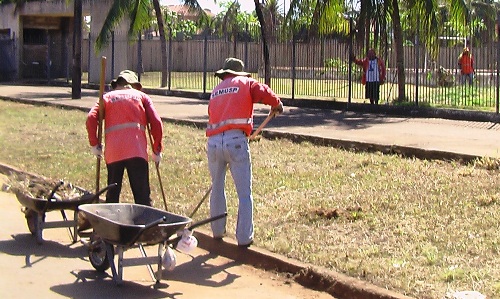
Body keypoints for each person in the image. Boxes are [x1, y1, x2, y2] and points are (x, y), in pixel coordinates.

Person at [206, 57, 284, 247]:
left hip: (214, 143)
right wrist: (277, 104)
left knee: (216, 188)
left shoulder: (216, 90)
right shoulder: (246, 83)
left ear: (224, 73)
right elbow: (262, 92)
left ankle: (217, 231)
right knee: (244, 193)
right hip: (236, 142)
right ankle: (244, 238)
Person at [86, 70, 163, 206]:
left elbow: (91, 117)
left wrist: (94, 144)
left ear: (117, 84)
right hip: (137, 151)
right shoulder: (142, 97)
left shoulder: (107, 97)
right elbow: (156, 122)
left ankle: (110, 225)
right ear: (133, 84)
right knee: (142, 198)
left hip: (114, 153)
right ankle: (146, 226)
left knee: (112, 196)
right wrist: (157, 150)